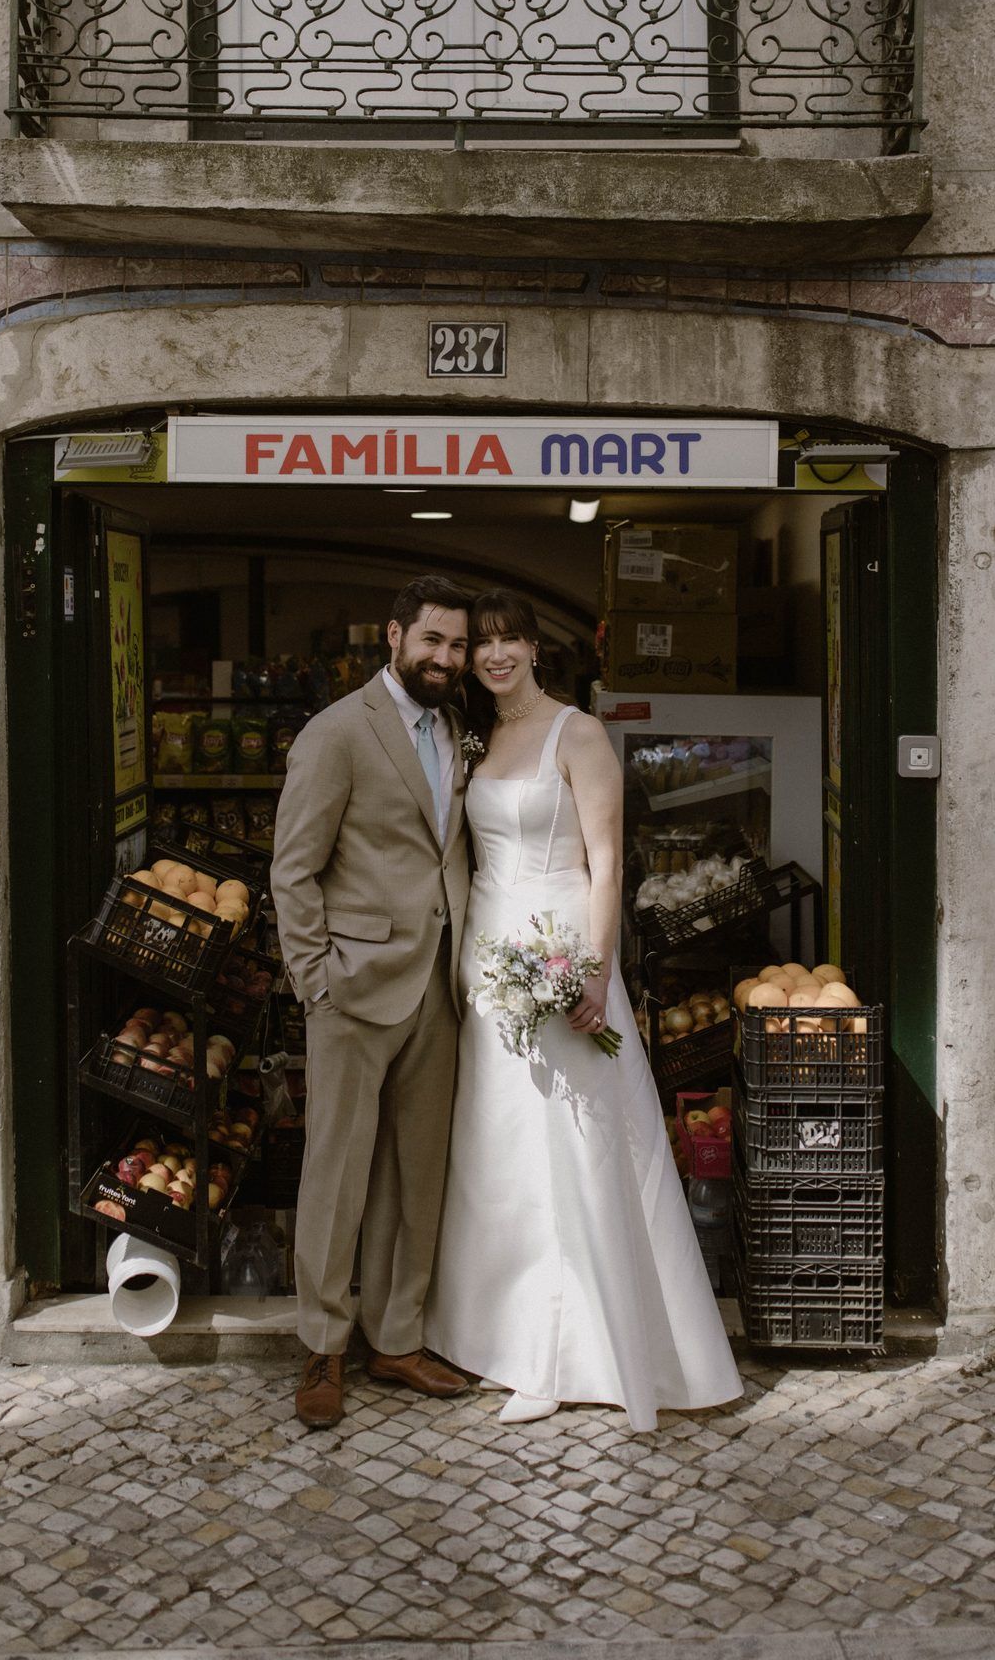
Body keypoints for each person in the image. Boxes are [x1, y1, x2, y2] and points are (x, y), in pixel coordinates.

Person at [423, 587, 744, 1432]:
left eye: (508, 641)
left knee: (570, 1148)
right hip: (489, 956)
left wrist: (596, 975)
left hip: (559, 951)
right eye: (480, 644)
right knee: (499, 1151)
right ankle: (491, 1332)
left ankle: (560, 1354)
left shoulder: (580, 733)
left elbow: (607, 867)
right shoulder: (478, 735)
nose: (493, 656)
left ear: (535, 648)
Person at [271, 574, 475, 1430]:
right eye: (432, 640)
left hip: (439, 982)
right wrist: (315, 981)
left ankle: (395, 1338)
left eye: (457, 646)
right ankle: (321, 1344)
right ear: (393, 637)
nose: (446, 658)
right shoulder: (336, 733)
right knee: (336, 1172)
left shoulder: (459, 728)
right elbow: (292, 867)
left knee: (414, 1173)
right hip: (353, 986)